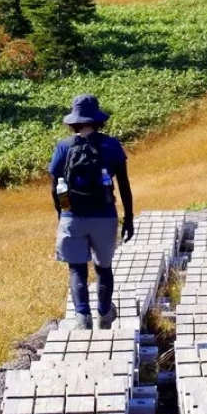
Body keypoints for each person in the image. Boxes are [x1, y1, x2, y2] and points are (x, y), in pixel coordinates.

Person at [49, 93, 134, 330]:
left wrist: (61, 216)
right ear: (97, 118)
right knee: (103, 267)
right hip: (105, 215)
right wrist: (129, 217)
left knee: (76, 267)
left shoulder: (63, 147)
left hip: (72, 216)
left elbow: (54, 185)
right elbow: (124, 185)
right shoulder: (111, 145)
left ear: (74, 120)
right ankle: (105, 313)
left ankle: (82, 317)